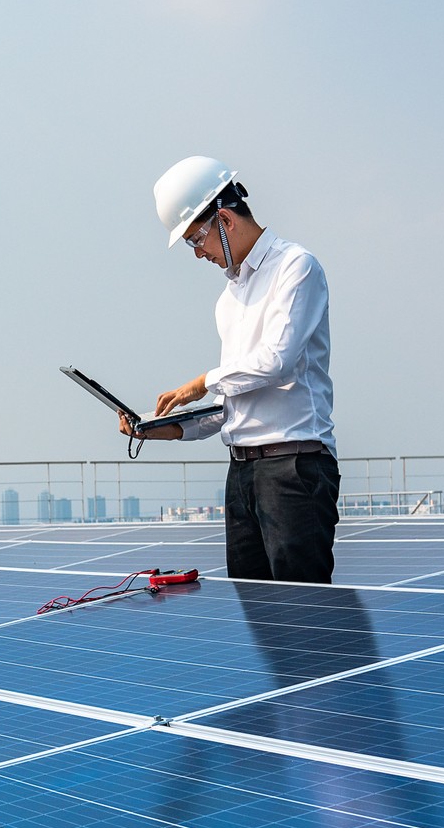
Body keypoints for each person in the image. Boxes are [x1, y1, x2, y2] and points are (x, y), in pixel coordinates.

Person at [120, 155, 340, 583]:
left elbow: (276, 361)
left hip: (293, 467)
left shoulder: (295, 267)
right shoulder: (229, 299)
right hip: (241, 473)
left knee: (303, 610)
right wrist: (163, 429)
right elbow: (234, 399)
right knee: (255, 609)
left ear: (224, 219)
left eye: (195, 239)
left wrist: (202, 382)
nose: (197, 253)